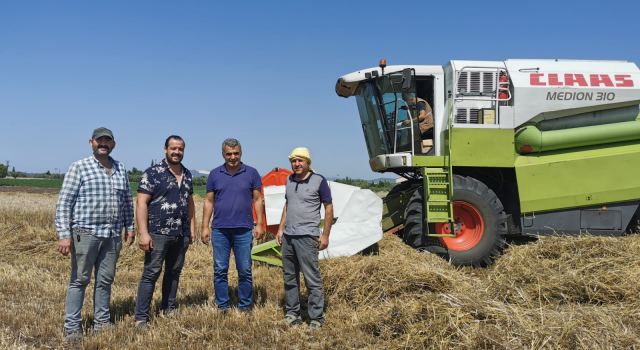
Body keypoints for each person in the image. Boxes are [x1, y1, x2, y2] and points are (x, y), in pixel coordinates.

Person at [55, 127, 135, 341]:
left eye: (107, 140)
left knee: (105, 281)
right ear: (91, 143)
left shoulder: (121, 168)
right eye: (99, 140)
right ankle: (72, 328)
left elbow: (127, 200)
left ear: (113, 145)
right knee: (79, 280)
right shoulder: (79, 167)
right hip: (85, 233)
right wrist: (64, 234)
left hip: (112, 235)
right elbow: (64, 203)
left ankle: (102, 323)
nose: (103, 144)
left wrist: (130, 226)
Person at [133, 135, 195, 330]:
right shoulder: (152, 173)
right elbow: (141, 203)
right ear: (165, 149)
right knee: (151, 273)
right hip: (158, 232)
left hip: (181, 232)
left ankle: (168, 308)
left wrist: (191, 228)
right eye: (173, 148)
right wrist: (143, 233)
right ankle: (141, 318)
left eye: (180, 149)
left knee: (174, 273)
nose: (176, 152)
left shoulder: (187, 174)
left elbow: (190, 202)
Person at [200, 138, 265, 314]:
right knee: (220, 269)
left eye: (236, 153)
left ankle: (245, 305)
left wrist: (259, 224)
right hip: (220, 229)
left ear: (241, 153)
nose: (233, 157)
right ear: (223, 154)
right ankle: (222, 305)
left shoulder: (252, 173)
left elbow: (258, 200)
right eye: (229, 154)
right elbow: (208, 201)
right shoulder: (214, 174)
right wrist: (205, 226)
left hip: (244, 228)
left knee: (244, 269)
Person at [275, 147, 333, 334]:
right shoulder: (289, 180)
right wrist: (281, 228)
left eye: (300, 160)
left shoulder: (319, 181)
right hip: (288, 237)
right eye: (294, 161)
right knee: (289, 277)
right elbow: (287, 205)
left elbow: (329, 208)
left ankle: (316, 318)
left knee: (312, 279)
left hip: (308, 237)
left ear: (308, 162)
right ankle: (293, 313)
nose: (296, 164)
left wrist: (325, 235)